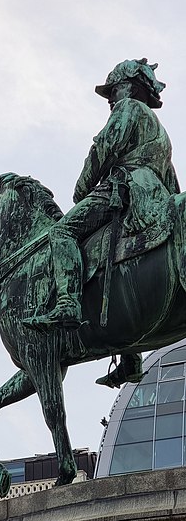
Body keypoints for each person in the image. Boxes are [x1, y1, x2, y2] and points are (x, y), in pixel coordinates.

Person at [25, 58, 180, 331]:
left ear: (129, 89)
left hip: (126, 188)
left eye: (113, 90)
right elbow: (172, 180)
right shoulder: (161, 132)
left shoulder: (128, 108)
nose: (110, 99)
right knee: (112, 257)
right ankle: (130, 357)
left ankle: (67, 303)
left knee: (62, 232)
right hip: (153, 196)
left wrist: (83, 187)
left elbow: (104, 148)